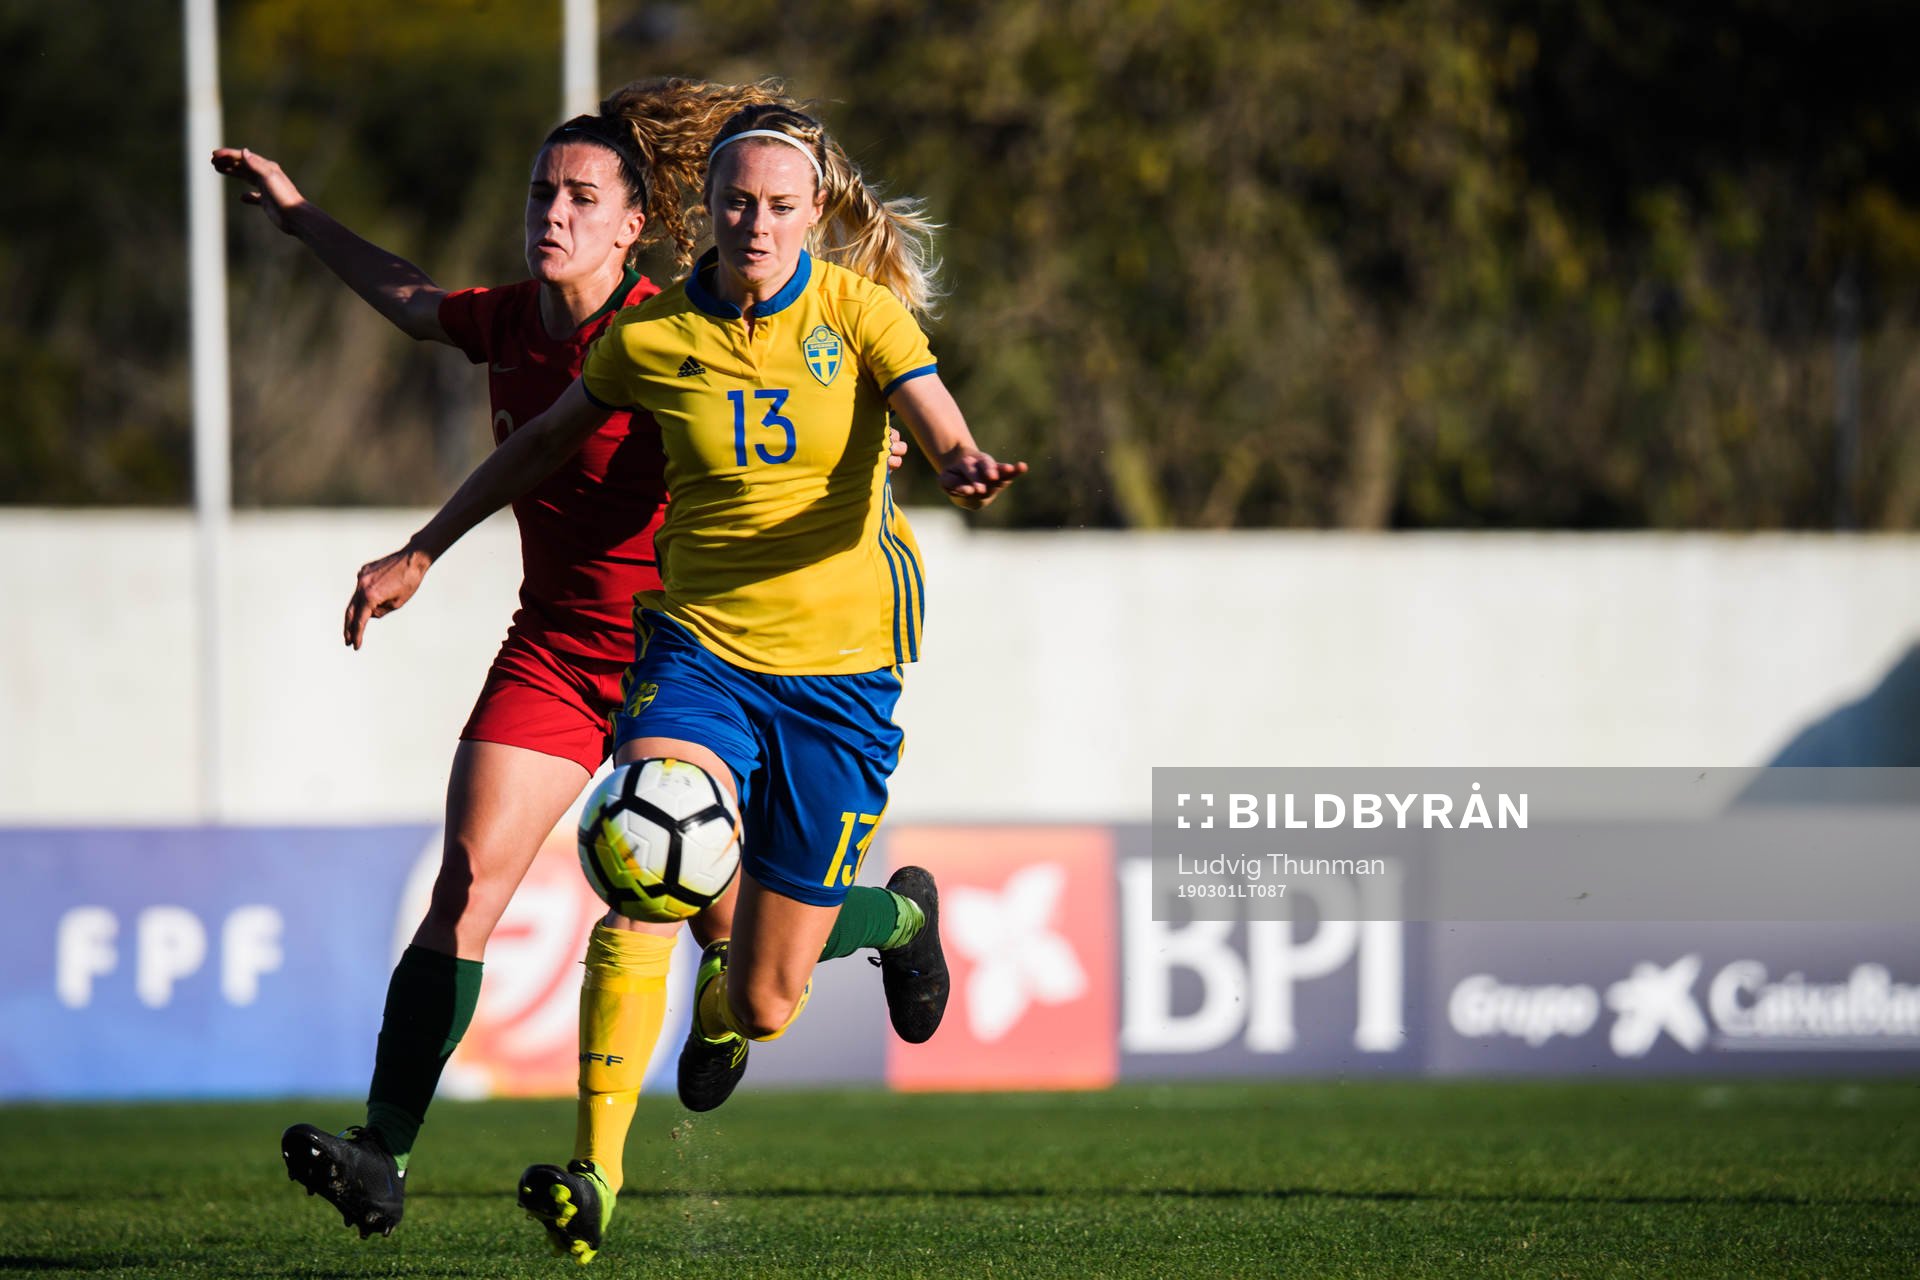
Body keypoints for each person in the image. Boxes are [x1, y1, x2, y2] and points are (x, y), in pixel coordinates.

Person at [214, 80, 910, 1264]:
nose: (556, 211)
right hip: (556, 651)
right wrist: (296, 215)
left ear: (636, 225)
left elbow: (806, 400)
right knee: (469, 879)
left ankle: (898, 916)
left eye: (584, 196)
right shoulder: (512, 322)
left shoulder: (673, 329)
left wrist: (878, 437)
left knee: (749, 964)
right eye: (544, 190)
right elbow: (408, 298)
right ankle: (383, 1147)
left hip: (693, 664)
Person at [344, 90, 1022, 1197]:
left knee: (763, 996)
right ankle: (592, 1176)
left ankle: (898, 914)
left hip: (839, 673)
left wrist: (959, 460)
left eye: (780, 206)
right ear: (701, 208)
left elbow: (935, 412)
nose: (758, 223)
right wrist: (425, 546)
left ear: (813, 213)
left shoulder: (860, 315)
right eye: (738, 202)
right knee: (643, 840)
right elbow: (544, 445)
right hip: (699, 651)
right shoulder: (653, 334)